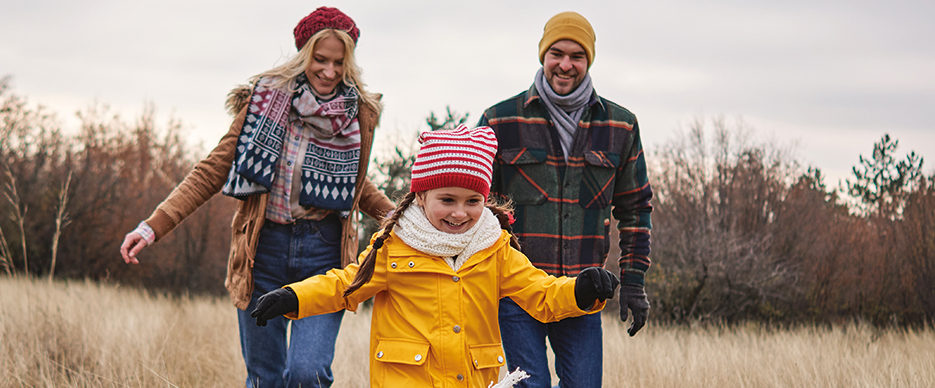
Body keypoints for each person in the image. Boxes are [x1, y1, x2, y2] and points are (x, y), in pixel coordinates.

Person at [118, 7, 395, 388]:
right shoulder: (264, 102)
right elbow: (211, 170)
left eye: (338, 62)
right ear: (304, 54)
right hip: (261, 251)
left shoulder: (357, 113)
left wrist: (405, 219)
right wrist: (152, 227)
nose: (329, 71)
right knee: (266, 378)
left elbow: (356, 184)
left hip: (324, 255)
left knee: (306, 373)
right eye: (320, 59)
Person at [249, 125, 620, 388]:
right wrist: (293, 296)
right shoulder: (393, 245)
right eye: (447, 200)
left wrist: (581, 292)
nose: (460, 213)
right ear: (421, 197)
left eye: (472, 201)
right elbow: (345, 284)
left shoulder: (495, 248)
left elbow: (541, 294)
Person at [477, 11, 654, 388]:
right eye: (557, 53)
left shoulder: (620, 126)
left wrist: (634, 283)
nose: (565, 64)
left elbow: (636, 209)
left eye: (577, 56)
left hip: (583, 293)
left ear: (588, 60)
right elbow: (472, 205)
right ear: (543, 55)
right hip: (517, 293)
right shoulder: (499, 122)